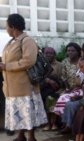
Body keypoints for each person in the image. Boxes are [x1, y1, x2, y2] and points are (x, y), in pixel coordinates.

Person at [0, 13, 47, 141]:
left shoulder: (27, 41)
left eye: (7, 26)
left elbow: (28, 61)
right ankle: (21, 136)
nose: (6, 29)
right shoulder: (12, 42)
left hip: (25, 86)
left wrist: (7, 66)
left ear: (13, 27)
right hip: (12, 86)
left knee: (28, 112)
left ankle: (31, 137)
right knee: (20, 113)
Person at [59, 57, 84, 134]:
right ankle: (67, 125)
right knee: (68, 102)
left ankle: (69, 126)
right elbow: (80, 86)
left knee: (71, 105)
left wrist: (79, 97)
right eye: (81, 67)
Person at [41, 47, 63, 131]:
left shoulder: (59, 65)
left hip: (56, 89)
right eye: (46, 53)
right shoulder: (40, 64)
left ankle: (53, 123)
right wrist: (48, 80)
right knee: (46, 97)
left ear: (54, 55)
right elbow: (38, 78)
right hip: (43, 88)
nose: (48, 55)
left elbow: (62, 79)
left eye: (51, 53)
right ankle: (47, 123)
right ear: (43, 54)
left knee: (51, 98)